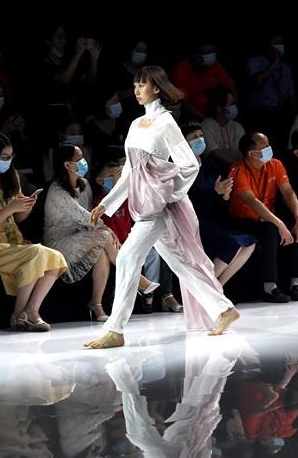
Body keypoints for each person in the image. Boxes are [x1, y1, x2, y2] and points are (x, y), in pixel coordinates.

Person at [83, 65, 240, 349]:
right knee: (178, 263)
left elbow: (190, 164)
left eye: (142, 85)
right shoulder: (135, 124)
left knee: (128, 257)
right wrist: (106, 203)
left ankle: (115, 329)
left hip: (157, 206)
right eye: (135, 86)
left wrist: (167, 193)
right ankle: (224, 308)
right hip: (145, 204)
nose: (137, 90)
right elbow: (130, 171)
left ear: (156, 88)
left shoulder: (166, 122)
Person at [0, 136, 67, 332]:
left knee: (54, 257)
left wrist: (26, 207)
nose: (7, 161)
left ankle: (31, 311)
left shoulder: (11, 177)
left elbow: (18, 219)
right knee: (37, 252)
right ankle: (18, 315)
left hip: (14, 242)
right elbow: (10, 211)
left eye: (10, 157)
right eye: (3, 157)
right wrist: (10, 208)